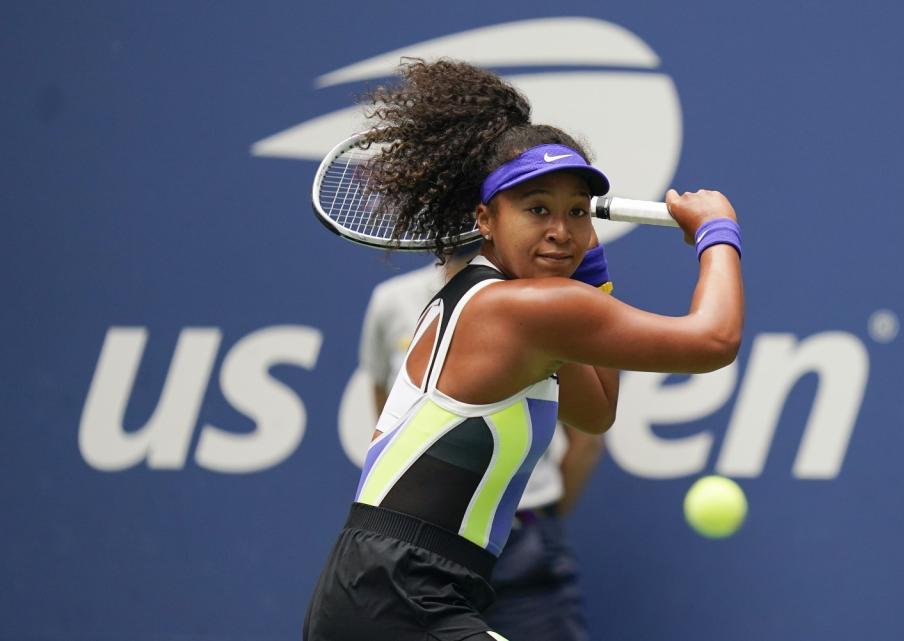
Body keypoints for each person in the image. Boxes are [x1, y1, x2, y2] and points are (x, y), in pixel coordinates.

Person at [303, 59, 743, 641]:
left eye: (577, 213)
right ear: (485, 219)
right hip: (397, 595)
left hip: (388, 591)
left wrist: (594, 281)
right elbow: (714, 340)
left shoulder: (507, 301)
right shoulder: (521, 311)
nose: (560, 229)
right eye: (538, 209)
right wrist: (718, 231)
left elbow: (596, 410)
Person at [358, 243, 603, 641]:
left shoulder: (550, 310)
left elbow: (589, 437)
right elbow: (387, 428)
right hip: (418, 556)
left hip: (525, 549)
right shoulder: (391, 303)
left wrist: (526, 516)